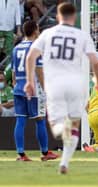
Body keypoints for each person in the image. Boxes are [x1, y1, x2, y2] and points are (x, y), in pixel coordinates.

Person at [24, 3, 98, 174]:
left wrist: (29, 82)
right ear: (74, 17)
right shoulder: (82, 35)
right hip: (76, 84)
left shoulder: (47, 33)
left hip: (54, 84)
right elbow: (95, 62)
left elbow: (30, 57)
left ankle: (62, 129)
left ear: (58, 17)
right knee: (75, 124)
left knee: (57, 127)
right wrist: (97, 80)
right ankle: (64, 163)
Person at [12, 20, 59, 161]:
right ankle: (45, 153)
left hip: (19, 87)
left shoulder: (16, 48)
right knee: (40, 119)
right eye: (38, 29)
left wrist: (16, 85)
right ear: (34, 31)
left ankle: (21, 154)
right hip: (34, 88)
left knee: (20, 120)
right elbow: (39, 70)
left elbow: (13, 72)